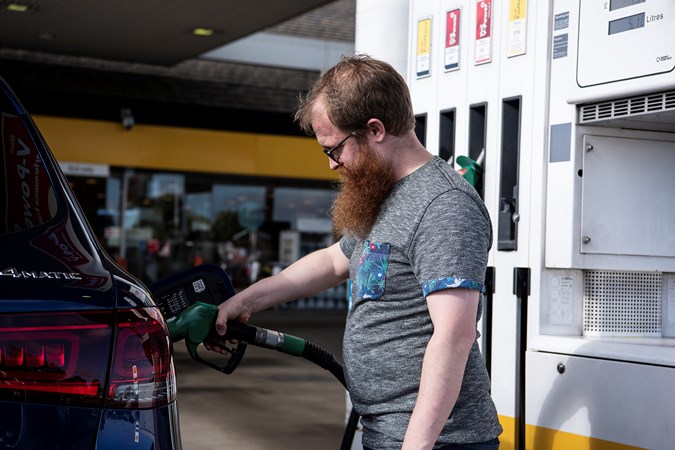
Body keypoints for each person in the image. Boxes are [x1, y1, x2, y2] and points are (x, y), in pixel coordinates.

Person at [212, 55, 502, 450]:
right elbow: (335, 260)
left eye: (334, 149)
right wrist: (246, 300)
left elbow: (453, 334)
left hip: (440, 442)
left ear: (375, 130)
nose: (332, 164)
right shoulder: (386, 192)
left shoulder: (444, 206)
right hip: (387, 433)